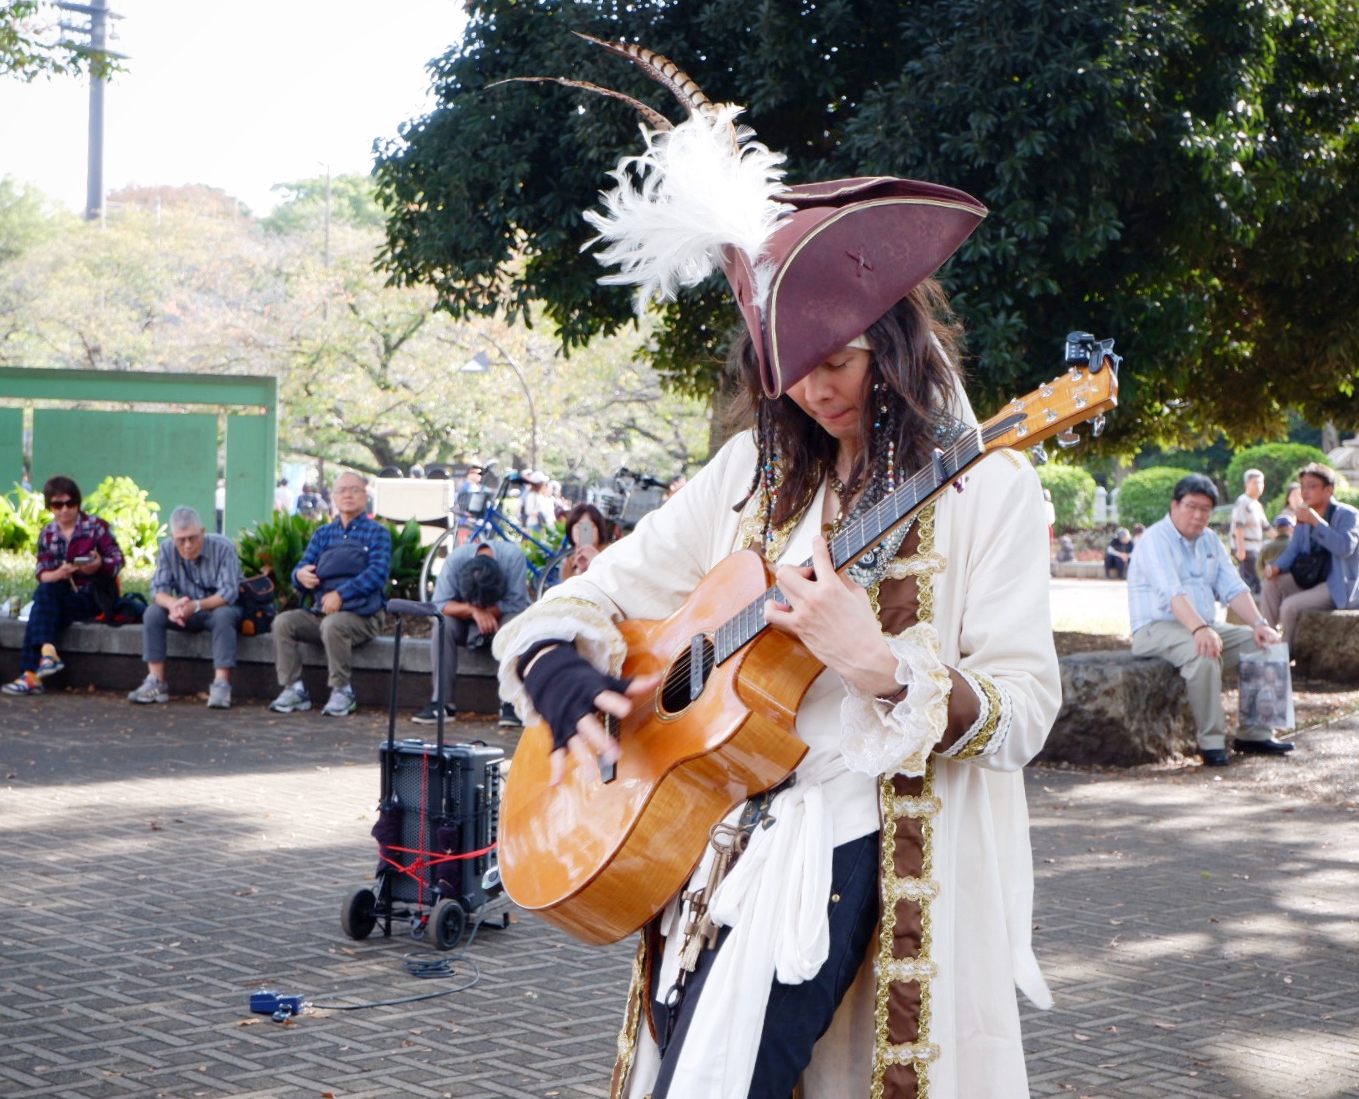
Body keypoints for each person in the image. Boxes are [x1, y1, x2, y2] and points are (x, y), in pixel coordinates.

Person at [491, 43, 1059, 1095]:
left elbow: (1026, 709)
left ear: (891, 342)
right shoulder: (750, 477)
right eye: (787, 377)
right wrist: (565, 672)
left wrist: (881, 666)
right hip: (721, 856)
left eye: (836, 363)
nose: (813, 394)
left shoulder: (991, 491)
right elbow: (587, 595)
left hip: (887, 872)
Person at [1127, 473, 1289, 767]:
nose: (1198, 515)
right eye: (1191, 506)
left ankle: (1255, 734)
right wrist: (1200, 628)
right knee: (1203, 653)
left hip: (1201, 626)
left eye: (1205, 509)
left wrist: (1259, 624)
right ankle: (1211, 743)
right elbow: (1170, 592)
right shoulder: (1155, 539)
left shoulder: (1210, 540)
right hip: (1155, 628)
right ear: (1175, 505)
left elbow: (1233, 587)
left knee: (1267, 646)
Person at [269, 471, 391, 717]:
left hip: (363, 615)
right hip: (321, 612)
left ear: (365, 495)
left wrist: (341, 595)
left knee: (334, 625)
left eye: (354, 489)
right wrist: (300, 576)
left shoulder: (378, 533)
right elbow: (301, 568)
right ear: (333, 496)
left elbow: (377, 574)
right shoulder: (323, 534)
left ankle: (342, 692)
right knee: (284, 622)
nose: (347, 494)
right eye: (341, 490)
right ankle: (294, 689)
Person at [1, 476, 126, 696]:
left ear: (78, 503)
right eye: (58, 505)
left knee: (41, 608)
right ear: (51, 507)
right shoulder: (48, 534)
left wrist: (97, 565)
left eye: (70, 503)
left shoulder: (96, 526)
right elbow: (42, 573)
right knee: (46, 594)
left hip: (93, 597)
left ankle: (33, 672)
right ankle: (47, 655)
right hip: (61, 595)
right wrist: (59, 573)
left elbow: (118, 560)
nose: (65, 510)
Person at [128, 506, 242, 708]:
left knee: (224, 615)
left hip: (216, 607)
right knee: (153, 613)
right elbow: (157, 590)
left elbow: (229, 592)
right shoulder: (166, 549)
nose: (187, 545)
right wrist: (174, 605)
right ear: (173, 537)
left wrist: (196, 606)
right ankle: (156, 681)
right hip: (184, 610)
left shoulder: (224, 547)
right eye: (181, 540)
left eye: (193, 538)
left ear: (203, 532)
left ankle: (221, 684)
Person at [417, 537, 529, 727]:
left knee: (515, 623)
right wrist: (473, 610)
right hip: (465, 620)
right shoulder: (455, 560)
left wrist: (487, 611)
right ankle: (442, 704)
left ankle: (511, 703)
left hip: (501, 618)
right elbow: (438, 605)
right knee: (442, 624)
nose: (479, 604)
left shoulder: (513, 557)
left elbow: (516, 604)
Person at [1260, 463, 1359, 650]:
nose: (1305, 491)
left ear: (1329, 490)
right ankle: (1265, 646)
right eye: (1302, 486)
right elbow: (1294, 549)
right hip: (1309, 579)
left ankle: (1284, 657)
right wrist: (1277, 567)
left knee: (1289, 606)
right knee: (1270, 584)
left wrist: (1316, 522)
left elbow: (1344, 547)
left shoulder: (1348, 515)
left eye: (1312, 486)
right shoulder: (1304, 514)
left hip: (1337, 585)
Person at [1230, 468, 1269, 594]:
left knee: (1256, 581)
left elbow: (1267, 527)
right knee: (1255, 580)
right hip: (1246, 548)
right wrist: (1241, 549)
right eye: (1255, 482)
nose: (1258, 486)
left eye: (1261, 483)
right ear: (1247, 484)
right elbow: (1239, 526)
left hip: (1256, 548)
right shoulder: (1243, 502)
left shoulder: (1257, 505)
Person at [558, 502, 614, 581]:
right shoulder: (570, 562)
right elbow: (568, 591)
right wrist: (580, 570)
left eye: (589, 527)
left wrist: (596, 560)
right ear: (571, 531)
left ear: (599, 530)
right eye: (579, 527)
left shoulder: (612, 552)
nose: (584, 531)